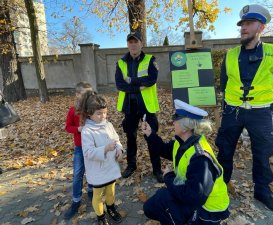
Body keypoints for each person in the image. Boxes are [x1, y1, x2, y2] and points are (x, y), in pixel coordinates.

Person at [215, 4, 273, 213]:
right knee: (225, 150)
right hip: (233, 111)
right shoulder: (229, 55)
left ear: (261, 28)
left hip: (260, 112)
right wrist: (230, 103)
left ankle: (262, 191)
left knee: (262, 153)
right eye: (242, 24)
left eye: (249, 24)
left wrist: (264, 104)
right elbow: (224, 82)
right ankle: (220, 184)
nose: (243, 28)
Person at [142, 99, 230, 225]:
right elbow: (164, 149)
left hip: (208, 213)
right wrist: (150, 134)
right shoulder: (184, 141)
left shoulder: (200, 158)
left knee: (163, 200)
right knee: (154, 204)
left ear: (185, 126)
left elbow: (193, 197)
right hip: (195, 197)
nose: (172, 121)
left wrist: (168, 176)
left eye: (175, 118)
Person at [115, 31, 163, 183]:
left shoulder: (150, 60)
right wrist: (138, 86)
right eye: (130, 42)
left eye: (136, 41)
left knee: (151, 137)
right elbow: (120, 84)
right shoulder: (121, 62)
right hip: (129, 106)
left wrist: (131, 80)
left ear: (141, 43)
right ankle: (131, 165)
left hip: (146, 106)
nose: (133, 44)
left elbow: (151, 80)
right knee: (130, 137)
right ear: (127, 44)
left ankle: (157, 169)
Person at [77, 91, 123, 225]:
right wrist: (105, 149)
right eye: (99, 113)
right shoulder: (87, 131)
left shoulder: (108, 125)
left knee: (111, 192)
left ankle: (111, 209)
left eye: (105, 112)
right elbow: (88, 152)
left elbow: (116, 139)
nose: (103, 116)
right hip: (97, 172)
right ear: (89, 113)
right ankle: (101, 216)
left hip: (111, 167)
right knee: (98, 196)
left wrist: (119, 149)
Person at [64, 81, 93, 219]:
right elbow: (68, 127)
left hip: (93, 147)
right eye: (85, 93)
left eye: (90, 93)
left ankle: (92, 190)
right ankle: (76, 201)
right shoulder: (72, 110)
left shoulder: (92, 109)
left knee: (92, 171)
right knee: (77, 175)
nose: (89, 96)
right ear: (77, 94)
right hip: (80, 148)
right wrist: (78, 129)